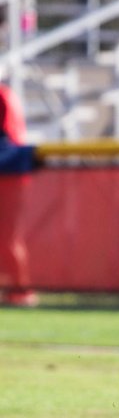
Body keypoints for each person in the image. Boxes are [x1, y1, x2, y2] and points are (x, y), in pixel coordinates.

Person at [0, 83, 37, 306]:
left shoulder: (3, 96)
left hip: (9, 174)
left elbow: (8, 140)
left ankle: (21, 292)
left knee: (8, 237)